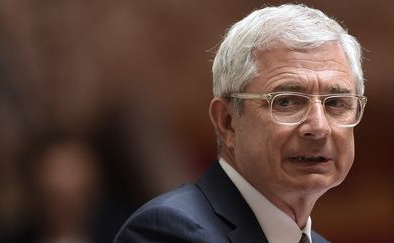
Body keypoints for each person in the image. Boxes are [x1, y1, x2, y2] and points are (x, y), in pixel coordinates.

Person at [114, 4, 367, 243]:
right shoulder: (170, 231)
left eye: (335, 103)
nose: (319, 127)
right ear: (227, 122)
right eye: (287, 101)